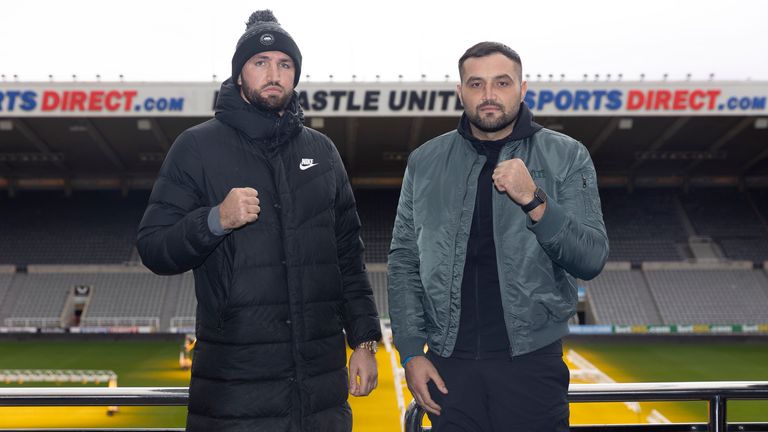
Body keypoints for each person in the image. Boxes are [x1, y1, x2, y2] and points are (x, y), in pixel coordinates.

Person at [137, 10, 381, 432]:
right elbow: (154, 247)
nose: (274, 73)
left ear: (296, 76)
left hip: (320, 390)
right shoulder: (196, 147)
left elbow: (348, 258)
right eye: (261, 62)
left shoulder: (323, 152)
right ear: (238, 76)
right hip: (236, 387)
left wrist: (363, 341)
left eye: (285, 64)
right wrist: (215, 220)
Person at [388, 41, 609, 431]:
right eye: (476, 84)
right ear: (460, 92)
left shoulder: (567, 155)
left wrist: (535, 200)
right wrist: (410, 352)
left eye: (502, 83)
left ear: (523, 89)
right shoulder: (425, 162)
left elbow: (591, 257)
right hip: (448, 367)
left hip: (531, 364)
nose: (489, 95)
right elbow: (404, 259)